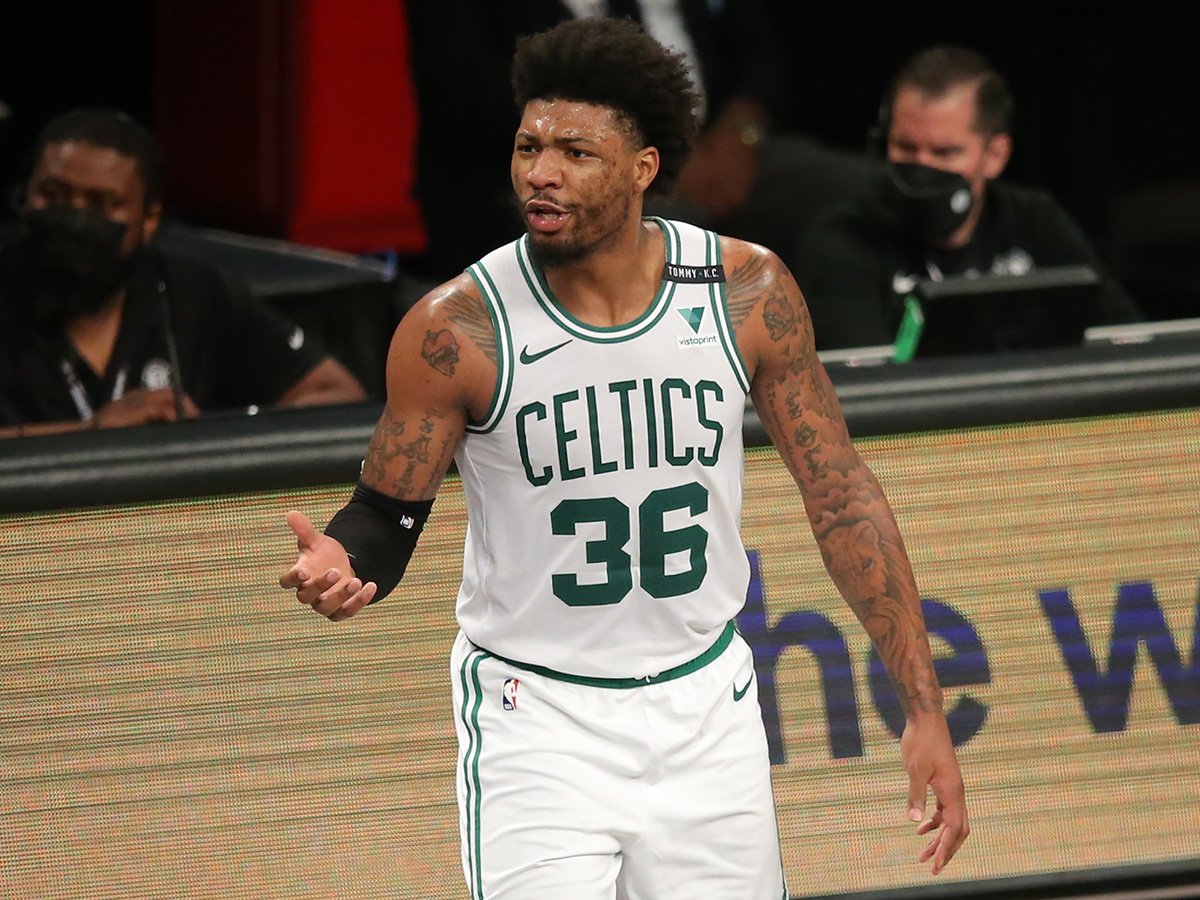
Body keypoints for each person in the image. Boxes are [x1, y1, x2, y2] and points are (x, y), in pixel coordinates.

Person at [281, 18, 967, 898]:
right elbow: (386, 513)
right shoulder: (457, 328)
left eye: (575, 151)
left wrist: (922, 706)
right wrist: (341, 563)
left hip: (705, 706)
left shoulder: (745, 290)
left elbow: (840, 498)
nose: (541, 171)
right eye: (529, 145)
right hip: (541, 716)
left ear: (643, 168)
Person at [403, 0, 867, 283]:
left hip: (715, 145)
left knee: (855, 187)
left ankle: (862, 377)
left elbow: (759, 49)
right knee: (671, 225)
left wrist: (737, 135)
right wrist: (632, 159)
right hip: (542, 172)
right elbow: (465, 94)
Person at [0, 108, 366, 438]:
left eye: (102, 204)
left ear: (149, 219)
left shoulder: (193, 290)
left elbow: (336, 393)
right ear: (22, 193)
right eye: (53, 195)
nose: (75, 220)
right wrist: (90, 431)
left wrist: (214, 436)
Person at [797, 45, 1143, 353]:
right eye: (905, 147)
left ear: (995, 155)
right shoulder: (844, 239)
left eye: (945, 152)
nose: (922, 167)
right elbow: (869, 386)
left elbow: (1128, 338)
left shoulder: (1033, 220)